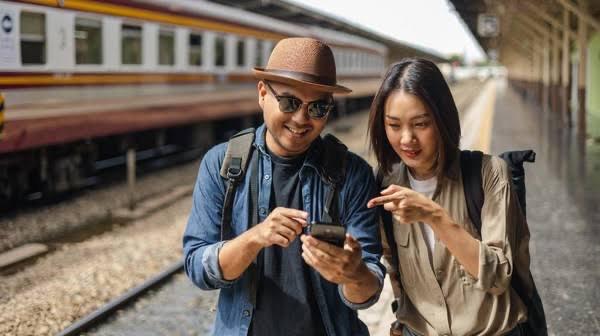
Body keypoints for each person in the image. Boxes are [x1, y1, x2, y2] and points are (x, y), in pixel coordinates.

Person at [183, 37, 384, 336]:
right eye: (290, 102)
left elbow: (368, 292)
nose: (302, 119)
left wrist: (354, 274)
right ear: (263, 93)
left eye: (318, 108)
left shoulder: (352, 173)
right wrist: (255, 238)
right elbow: (198, 268)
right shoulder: (222, 164)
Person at [366, 58, 532, 336]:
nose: (406, 139)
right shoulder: (383, 184)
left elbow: (498, 277)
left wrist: (434, 217)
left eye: (420, 124)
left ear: (443, 119)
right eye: (394, 125)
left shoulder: (489, 174)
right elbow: (393, 264)